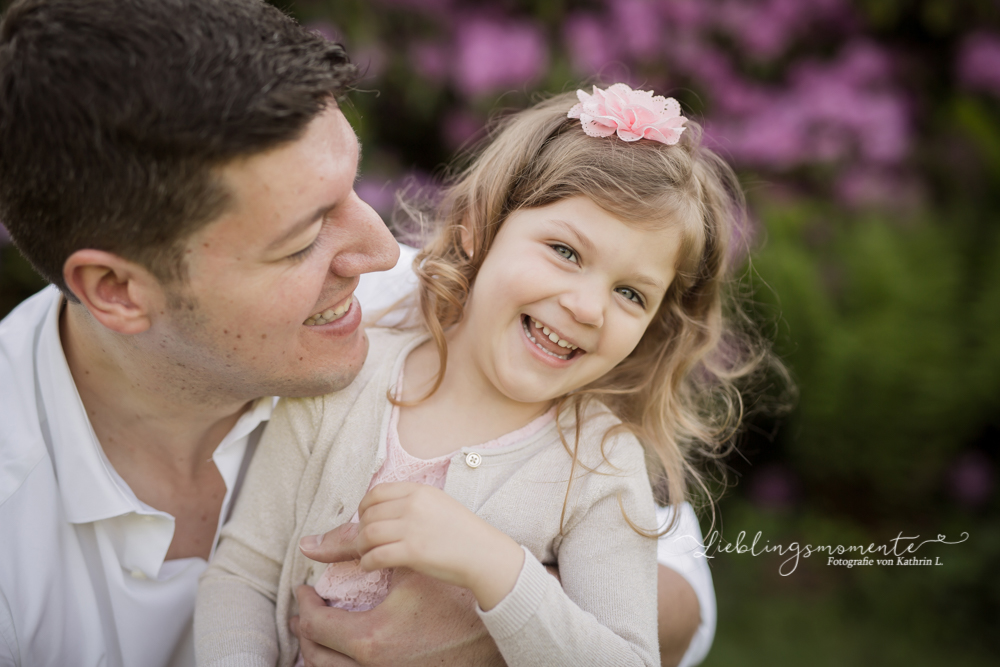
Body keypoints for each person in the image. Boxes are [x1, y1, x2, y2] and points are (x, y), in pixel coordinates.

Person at [0, 1, 714, 665]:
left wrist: (490, 624)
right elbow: (242, 576)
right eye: (303, 236)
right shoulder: (14, 513)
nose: (382, 251)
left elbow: (676, 582)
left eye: (352, 185)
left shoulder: (426, 303)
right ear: (119, 291)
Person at [196, 84, 759, 667]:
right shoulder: (343, 380)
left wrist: (499, 569)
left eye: (630, 293)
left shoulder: (600, 464)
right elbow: (244, 578)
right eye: (566, 252)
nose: (589, 308)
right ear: (477, 229)